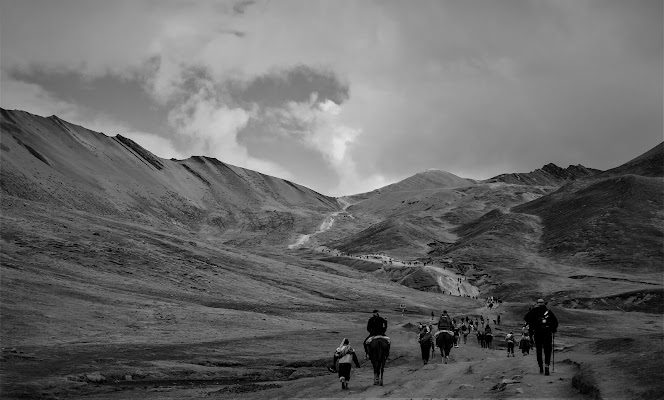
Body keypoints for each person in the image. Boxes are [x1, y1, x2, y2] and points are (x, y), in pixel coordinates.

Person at [524, 298, 559, 376]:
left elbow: (526, 318)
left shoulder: (534, 311)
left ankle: (541, 367)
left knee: (539, 350)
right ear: (544, 304)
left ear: (537, 303)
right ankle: (547, 366)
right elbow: (555, 322)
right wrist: (553, 329)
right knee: (547, 350)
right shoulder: (549, 312)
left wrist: (533, 324)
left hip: (537, 333)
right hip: (547, 333)